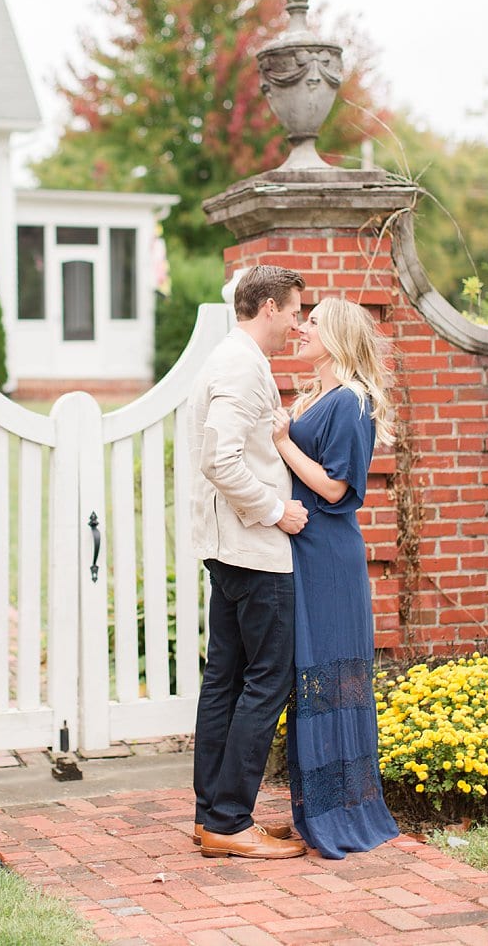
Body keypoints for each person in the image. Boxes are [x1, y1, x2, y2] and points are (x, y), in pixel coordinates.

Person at [271, 296, 400, 858]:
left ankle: (343, 814)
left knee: (328, 680)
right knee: (309, 681)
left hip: (329, 557)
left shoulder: (351, 401)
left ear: (339, 336)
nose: (301, 329)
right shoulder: (314, 397)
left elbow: (335, 489)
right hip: (302, 549)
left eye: (313, 323)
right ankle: (312, 811)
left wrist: (281, 442)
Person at [188, 264, 310, 860]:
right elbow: (221, 457)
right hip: (254, 551)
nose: (297, 323)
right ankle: (231, 823)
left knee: (225, 680)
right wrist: (274, 510)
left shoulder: (228, 357)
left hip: (227, 548)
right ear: (266, 308)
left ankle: (212, 816)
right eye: (293, 311)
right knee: (268, 680)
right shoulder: (240, 365)